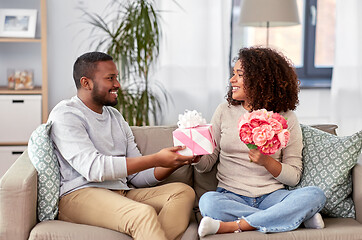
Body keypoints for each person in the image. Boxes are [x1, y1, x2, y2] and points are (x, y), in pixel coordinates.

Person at [48, 51, 195, 240]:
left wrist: (172, 163)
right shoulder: (66, 115)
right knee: (142, 214)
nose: (117, 84)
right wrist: (156, 158)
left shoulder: (115, 117)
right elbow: (94, 169)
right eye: (110, 78)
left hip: (121, 193)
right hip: (79, 194)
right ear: (86, 83)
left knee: (183, 192)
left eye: (116, 78)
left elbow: (138, 177)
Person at [193, 47, 326, 237]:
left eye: (239, 75)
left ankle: (234, 226)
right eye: (233, 74)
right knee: (207, 202)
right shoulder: (224, 111)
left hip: (273, 197)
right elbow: (206, 164)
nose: (232, 81)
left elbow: (294, 176)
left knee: (315, 195)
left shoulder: (286, 118)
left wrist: (266, 161)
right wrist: (197, 156)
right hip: (230, 196)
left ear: (260, 81)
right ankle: (293, 219)